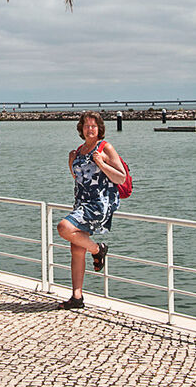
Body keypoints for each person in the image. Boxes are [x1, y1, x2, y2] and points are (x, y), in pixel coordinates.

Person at [56, 111, 126, 309]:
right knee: (76, 248)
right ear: (81, 128)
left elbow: (121, 177)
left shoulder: (105, 148)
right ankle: (77, 297)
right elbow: (79, 178)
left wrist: (101, 163)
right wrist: (71, 163)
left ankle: (98, 249)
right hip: (81, 202)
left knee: (63, 227)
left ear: (99, 128)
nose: (90, 129)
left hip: (98, 204)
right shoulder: (79, 150)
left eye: (93, 126)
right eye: (86, 126)